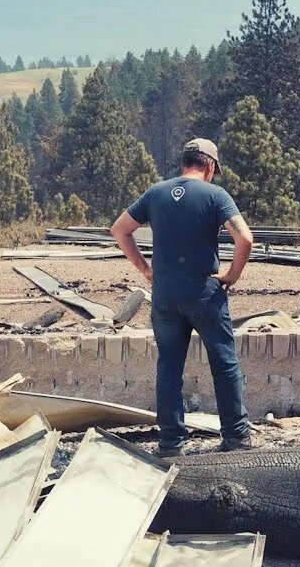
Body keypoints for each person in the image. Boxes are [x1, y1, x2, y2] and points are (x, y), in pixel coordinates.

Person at [110, 138, 256, 457]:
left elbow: (120, 230)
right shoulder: (215, 195)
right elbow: (245, 239)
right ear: (210, 166)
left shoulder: (156, 192)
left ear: (183, 163)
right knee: (224, 362)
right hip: (203, 294)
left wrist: (146, 271)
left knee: (169, 367)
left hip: (165, 294)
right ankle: (236, 436)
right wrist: (231, 276)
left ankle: (171, 442)